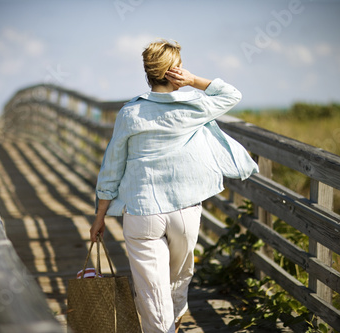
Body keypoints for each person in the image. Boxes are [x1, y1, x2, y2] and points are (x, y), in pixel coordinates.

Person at [90, 39, 258, 333]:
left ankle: (164, 325)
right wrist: (194, 81)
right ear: (174, 71)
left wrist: (100, 215)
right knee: (179, 275)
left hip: (142, 213)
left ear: (148, 72)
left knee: (152, 290)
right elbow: (232, 94)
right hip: (185, 209)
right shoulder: (195, 106)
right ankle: (177, 316)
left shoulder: (130, 114)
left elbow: (111, 167)